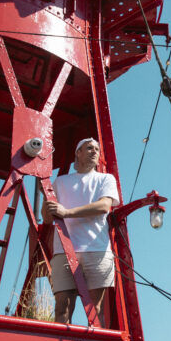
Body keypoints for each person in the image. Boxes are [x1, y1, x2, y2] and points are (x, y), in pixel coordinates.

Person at [41, 138, 119, 325]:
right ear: (78, 152)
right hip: (64, 251)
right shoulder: (60, 182)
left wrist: (67, 212)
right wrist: (46, 197)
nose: (94, 151)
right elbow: (47, 218)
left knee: (95, 309)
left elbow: (104, 206)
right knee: (62, 306)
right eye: (89, 148)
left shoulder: (106, 179)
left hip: (97, 249)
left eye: (97, 149)